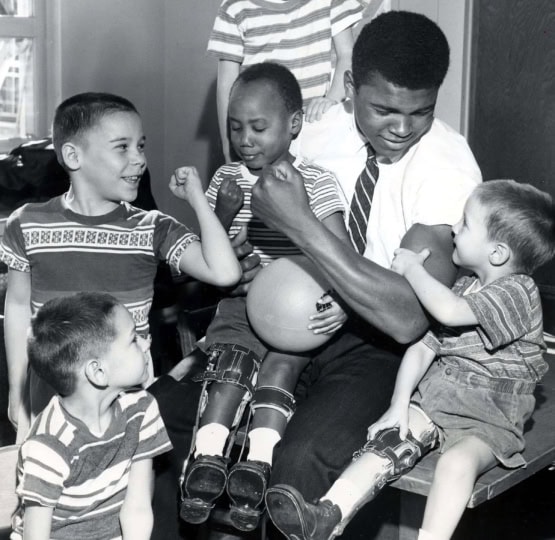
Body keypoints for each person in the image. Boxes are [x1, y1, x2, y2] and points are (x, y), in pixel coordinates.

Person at [239, 9, 482, 535]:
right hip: (293, 316)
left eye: (420, 112)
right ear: (349, 86)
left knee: (299, 462)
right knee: (190, 418)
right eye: (384, 109)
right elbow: (258, 203)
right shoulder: (317, 133)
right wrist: (244, 254)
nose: (401, 128)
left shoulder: (446, 165)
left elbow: (407, 318)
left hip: (385, 348)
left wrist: (304, 226)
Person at [264, 179, 555, 540]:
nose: (453, 229)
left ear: (496, 253)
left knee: (456, 463)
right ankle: (328, 513)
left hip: (492, 415)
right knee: (387, 443)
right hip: (439, 394)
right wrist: (399, 405)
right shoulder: (466, 286)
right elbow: (422, 348)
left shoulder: (518, 291)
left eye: (464, 224)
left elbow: (448, 312)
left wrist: (412, 269)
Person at [0, 92, 242, 442]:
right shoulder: (26, 224)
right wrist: (17, 388)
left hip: (127, 402)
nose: (139, 159)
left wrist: (197, 200)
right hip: (50, 397)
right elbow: (19, 307)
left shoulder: (153, 227)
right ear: (73, 156)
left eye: (141, 146)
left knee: (123, 493)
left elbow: (225, 273)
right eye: (122, 147)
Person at [176, 62, 349, 532]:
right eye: (235, 128)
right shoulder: (227, 179)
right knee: (230, 362)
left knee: (279, 368)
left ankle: (258, 462)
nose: (245, 139)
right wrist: (224, 210)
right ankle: (207, 459)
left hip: (297, 311)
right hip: (241, 302)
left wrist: (335, 297)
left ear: (293, 125)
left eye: (258, 127)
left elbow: (338, 253)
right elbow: (211, 256)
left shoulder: (316, 180)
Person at [11, 292, 173, 540]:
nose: (146, 343)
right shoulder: (50, 445)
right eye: (133, 340)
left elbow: (137, 509)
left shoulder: (141, 408)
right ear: (97, 372)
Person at [207, 0, 364, 161]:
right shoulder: (234, 7)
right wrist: (229, 152)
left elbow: (347, 55)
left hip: (314, 124)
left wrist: (332, 99)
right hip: (260, 133)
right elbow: (226, 86)